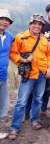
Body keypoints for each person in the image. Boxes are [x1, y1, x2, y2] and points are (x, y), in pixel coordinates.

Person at [8, 13, 50, 140]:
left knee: (38, 98)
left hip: (42, 74)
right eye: (35, 23)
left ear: (42, 26)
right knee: (21, 102)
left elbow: (48, 54)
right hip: (28, 74)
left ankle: (34, 120)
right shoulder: (21, 37)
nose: (37, 26)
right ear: (30, 24)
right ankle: (14, 127)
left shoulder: (44, 39)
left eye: (40, 24)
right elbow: (12, 54)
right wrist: (23, 60)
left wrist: (49, 68)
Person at [25, 3, 50, 118]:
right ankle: (27, 111)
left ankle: (43, 109)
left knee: (48, 87)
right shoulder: (41, 24)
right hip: (37, 62)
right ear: (47, 12)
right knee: (33, 88)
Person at [0, 9, 14, 139]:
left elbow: (19, 47)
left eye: (7, 20)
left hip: (3, 75)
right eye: (2, 19)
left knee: (2, 103)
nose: (4, 22)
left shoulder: (9, 36)